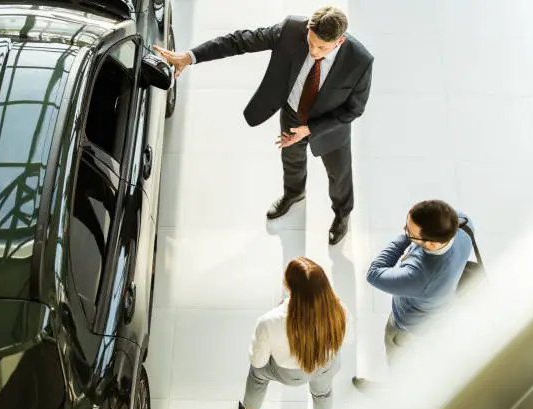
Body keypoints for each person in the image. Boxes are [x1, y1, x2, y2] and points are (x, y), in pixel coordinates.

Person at [153, 6, 374, 245]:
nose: (313, 50)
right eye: (311, 42)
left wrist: (310, 130)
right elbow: (239, 41)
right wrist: (190, 56)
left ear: (339, 41)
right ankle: (294, 193)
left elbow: (354, 109)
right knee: (291, 160)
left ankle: (342, 214)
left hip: (330, 126)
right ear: (308, 27)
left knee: (339, 175)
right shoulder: (291, 30)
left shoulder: (360, 60)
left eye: (321, 48)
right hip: (292, 113)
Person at [352, 200, 474, 389]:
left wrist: (404, 239)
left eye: (410, 232)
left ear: (432, 244)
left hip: (408, 326)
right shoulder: (464, 222)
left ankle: (395, 392)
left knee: (398, 363)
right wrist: (413, 237)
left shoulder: (419, 277)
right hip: (439, 309)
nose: (405, 230)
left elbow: (374, 274)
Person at [239, 257, 353, 409]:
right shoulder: (340, 309)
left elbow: (258, 361)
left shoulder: (270, 321)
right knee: (323, 394)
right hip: (325, 366)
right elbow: (348, 339)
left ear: (288, 286)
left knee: (257, 375)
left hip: (287, 373)